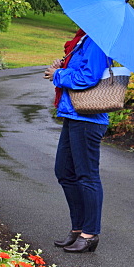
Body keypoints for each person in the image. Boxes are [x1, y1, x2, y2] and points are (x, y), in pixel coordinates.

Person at [44, 28, 111, 253]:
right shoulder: (84, 40)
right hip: (73, 113)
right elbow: (79, 69)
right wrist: (60, 68)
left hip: (88, 117)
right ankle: (78, 228)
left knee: (87, 175)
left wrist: (57, 75)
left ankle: (90, 233)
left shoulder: (98, 43)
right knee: (64, 171)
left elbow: (88, 77)